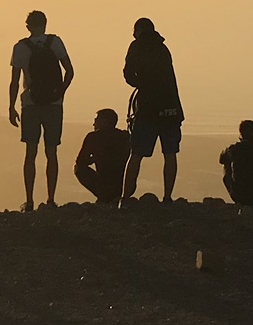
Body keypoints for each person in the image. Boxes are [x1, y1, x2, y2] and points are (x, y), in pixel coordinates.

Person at [8, 9, 75, 210]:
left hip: (30, 103)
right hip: (54, 104)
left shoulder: (20, 47)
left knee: (30, 152)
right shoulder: (55, 42)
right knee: (51, 152)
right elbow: (70, 71)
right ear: (45, 24)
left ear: (28, 26)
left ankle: (29, 200)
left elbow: (14, 81)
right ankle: (51, 199)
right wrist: (60, 92)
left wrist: (11, 106)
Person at [121, 17, 183, 202]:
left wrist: (141, 84)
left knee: (136, 154)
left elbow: (128, 74)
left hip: (147, 109)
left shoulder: (137, 46)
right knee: (170, 154)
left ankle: (125, 197)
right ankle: (167, 197)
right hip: (171, 108)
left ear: (138, 30)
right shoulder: (163, 48)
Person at [72, 108, 130, 206]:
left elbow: (80, 162)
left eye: (96, 121)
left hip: (103, 185)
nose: (94, 124)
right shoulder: (124, 136)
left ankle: (104, 197)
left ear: (104, 121)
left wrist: (95, 158)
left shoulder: (93, 137)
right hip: (123, 185)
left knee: (78, 169)